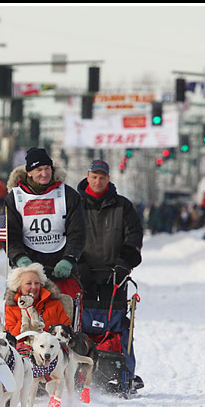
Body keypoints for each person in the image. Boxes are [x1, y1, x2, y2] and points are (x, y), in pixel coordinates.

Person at [76, 159, 144, 393]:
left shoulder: (123, 206)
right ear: (87, 177)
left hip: (115, 276)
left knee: (116, 324)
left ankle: (125, 372)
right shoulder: (75, 205)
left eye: (102, 177)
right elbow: (67, 235)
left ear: (108, 178)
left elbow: (134, 235)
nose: (98, 181)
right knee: (79, 324)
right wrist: (77, 262)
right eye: (94, 176)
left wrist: (125, 263)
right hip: (82, 276)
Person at [3, 147, 85, 299]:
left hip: (62, 270)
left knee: (64, 317)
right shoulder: (14, 198)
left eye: (48, 168)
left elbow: (78, 232)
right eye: (39, 169)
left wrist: (69, 259)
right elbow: (10, 234)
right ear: (29, 172)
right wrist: (19, 257)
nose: (45, 173)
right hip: (29, 272)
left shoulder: (69, 195)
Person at [4, 262, 71, 353]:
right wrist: (26, 313)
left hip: (51, 353)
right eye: (28, 283)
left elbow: (67, 331)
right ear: (19, 287)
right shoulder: (11, 306)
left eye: (37, 283)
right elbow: (11, 338)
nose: (34, 287)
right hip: (23, 353)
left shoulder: (54, 303)